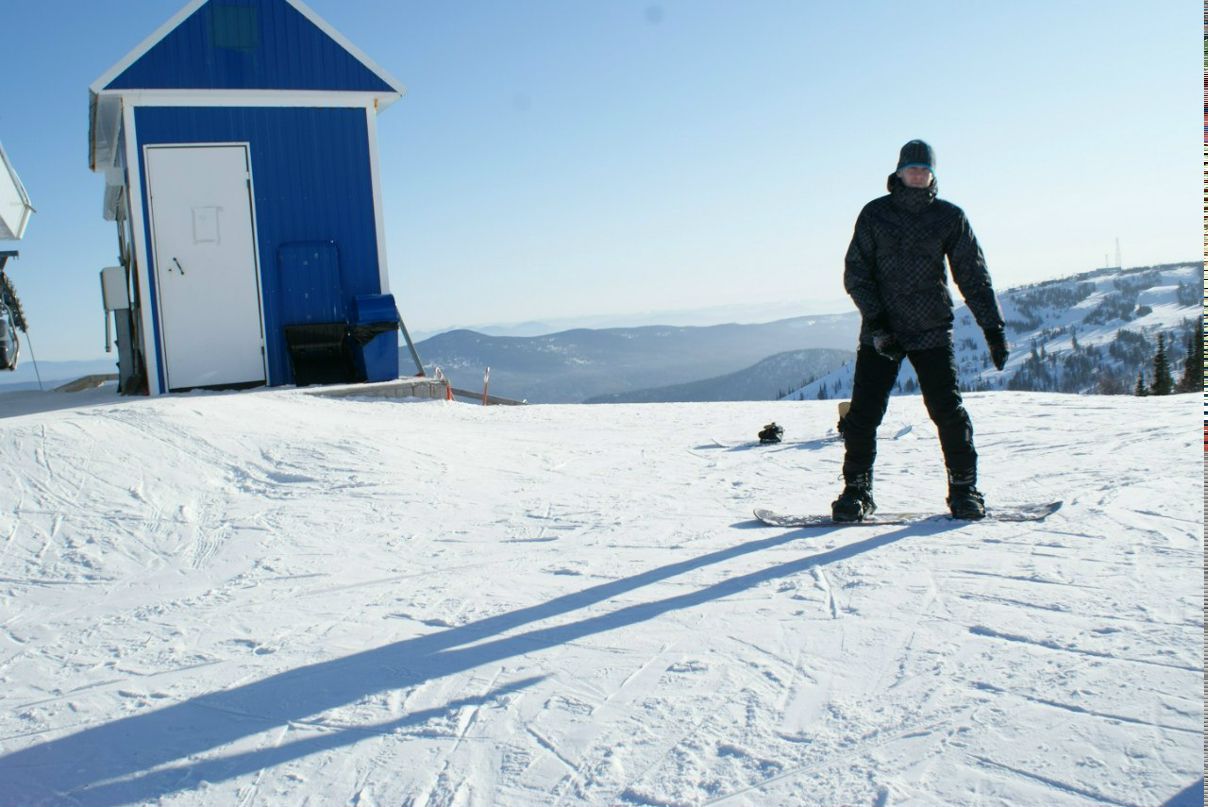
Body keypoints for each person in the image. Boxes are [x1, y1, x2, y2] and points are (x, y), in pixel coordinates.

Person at [833, 139, 1009, 522]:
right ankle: (856, 492)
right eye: (910, 168)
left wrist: (992, 327)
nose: (916, 174)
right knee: (863, 415)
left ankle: (964, 490)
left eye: (923, 169)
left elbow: (973, 275)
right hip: (882, 332)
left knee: (948, 411)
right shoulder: (875, 214)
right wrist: (878, 324)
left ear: (932, 175)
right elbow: (856, 273)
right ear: (898, 173)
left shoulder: (949, 217)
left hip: (931, 328)